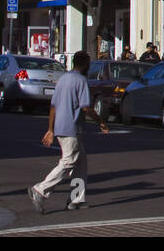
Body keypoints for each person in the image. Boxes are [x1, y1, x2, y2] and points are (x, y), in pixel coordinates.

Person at [29, 50, 109, 213]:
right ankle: (40, 190)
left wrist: (51, 129)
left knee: (80, 163)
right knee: (69, 161)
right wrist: (101, 121)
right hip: (71, 127)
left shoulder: (63, 79)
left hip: (61, 126)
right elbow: (86, 107)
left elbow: (53, 106)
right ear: (85, 64)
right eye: (89, 64)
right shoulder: (81, 80)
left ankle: (75, 199)